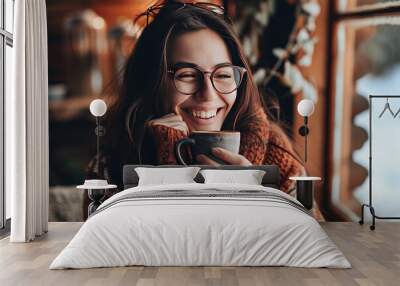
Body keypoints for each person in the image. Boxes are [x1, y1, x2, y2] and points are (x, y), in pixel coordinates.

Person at [86, 1, 305, 203]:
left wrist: (253, 199)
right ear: (150, 82)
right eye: (187, 75)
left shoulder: (276, 153)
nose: (208, 94)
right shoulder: (111, 162)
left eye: (223, 75)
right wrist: (170, 166)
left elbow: (307, 236)